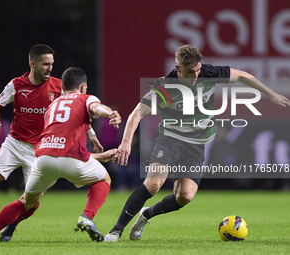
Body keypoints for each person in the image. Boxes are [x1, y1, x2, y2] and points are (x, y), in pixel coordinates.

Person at [104, 45, 290, 242]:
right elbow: (136, 114)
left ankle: (146, 215)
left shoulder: (208, 72)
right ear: (178, 68)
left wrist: (271, 94)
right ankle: (116, 231)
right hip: (171, 140)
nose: (196, 76)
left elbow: (243, 75)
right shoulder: (164, 86)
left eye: (198, 70)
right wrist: (126, 142)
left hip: (196, 145)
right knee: (153, 184)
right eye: (191, 72)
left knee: (185, 196)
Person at [0, 44, 102, 243]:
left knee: (31, 203)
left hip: (40, 150)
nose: (50, 68)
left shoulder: (59, 87)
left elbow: (78, 110)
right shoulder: (16, 85)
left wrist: (91, 134)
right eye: (45, 64)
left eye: (52, 64)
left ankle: (12, 224)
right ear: (33, 64)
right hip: (14, 143)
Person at [0, 67, 121, 247]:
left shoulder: (52, 106)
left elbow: (58, 146)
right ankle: (87, 216)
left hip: (42, 159)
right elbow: (96, 108)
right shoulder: (86, 98)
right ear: (83, 87)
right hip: (70, 160)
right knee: (104, 179)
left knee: (26, 202)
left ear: (62, 87)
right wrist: (110, 113)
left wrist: (99, 156)